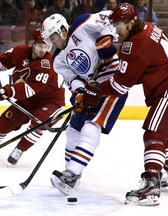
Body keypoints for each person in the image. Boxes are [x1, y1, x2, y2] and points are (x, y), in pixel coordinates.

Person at [83, 3, 168, 206]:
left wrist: (97, 91)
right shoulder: (148, 27)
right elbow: (144, 67)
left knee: (153, 133)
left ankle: (151, 184)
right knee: (161, 133)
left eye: (118, 24)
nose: (115, 29)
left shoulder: (134, 45)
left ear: (131, 22)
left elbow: (120, 86)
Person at [41, 12, 128, 195]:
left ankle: (72, 173)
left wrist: (106, 40)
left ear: (64, 29)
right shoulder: (57, 60)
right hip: (90, 88)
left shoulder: (83, 23)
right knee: (73, 129)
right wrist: (79, 93)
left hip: (113, 81)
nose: (53, 41)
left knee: (91, 126)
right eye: (50, 38)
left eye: (54, 35)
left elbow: (111, 17)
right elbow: (73, 79)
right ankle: (69, 172)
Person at [0, 29, 65, 165]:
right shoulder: (20, 52)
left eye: (46, 47)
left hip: (51, 101)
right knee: (5, 122)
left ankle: (20, 149)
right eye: (40, 46)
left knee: (39, 122)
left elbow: (30, 89)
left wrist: (7, 91)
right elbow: (0, 62)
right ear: (33, 44)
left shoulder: (46, 63)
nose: (43, 50)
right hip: (27, 101)